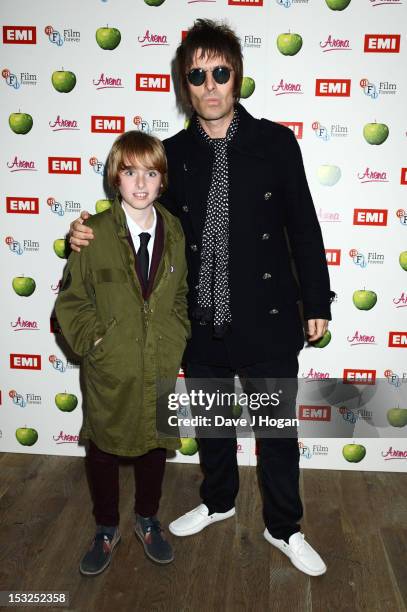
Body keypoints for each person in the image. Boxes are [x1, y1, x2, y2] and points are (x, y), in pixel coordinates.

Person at [69, 19, 334, 576]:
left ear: (237, 77)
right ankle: (218, 500)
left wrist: (317, 301)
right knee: (213, 424)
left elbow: (303, 227)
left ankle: (284, 525)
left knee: (277, 430)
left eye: (220, 72)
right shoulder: (172, 154)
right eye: (198, 75)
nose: (210, 85)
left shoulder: (275, 143)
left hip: (266, 316)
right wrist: (84, 232)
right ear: (183, 84)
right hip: (198, 318)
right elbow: (138, 215)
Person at [55, 130, 190, 576]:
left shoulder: (174, 229)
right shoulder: (92, 232)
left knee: (155, 445)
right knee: (104, 445)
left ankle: (148, 520)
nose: (139, 183)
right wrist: (97, 341)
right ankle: (106, 527)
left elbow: (180, 295)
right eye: (130, 172)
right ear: (116, 177)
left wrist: (176, 337)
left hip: (160, 362)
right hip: (109, 366)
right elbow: (71, 301)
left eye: (150, 173)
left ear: (161, 180)